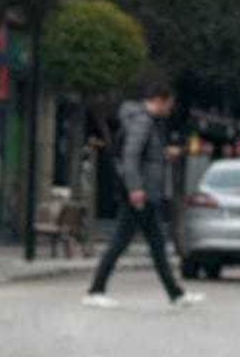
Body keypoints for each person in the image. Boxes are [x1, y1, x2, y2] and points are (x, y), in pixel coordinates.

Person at [83, 81, 205, 309]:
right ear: (159, 101)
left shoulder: (146, 122)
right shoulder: (142, 122)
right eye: (169, 104)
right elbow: (131, 155)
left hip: (146, 193)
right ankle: (95, 290)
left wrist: (163, 154)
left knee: (157, 246)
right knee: (121, 242)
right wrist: (136, 188)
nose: (170, 109)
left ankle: (176, 294)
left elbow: (143, 155)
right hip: (141, 195)